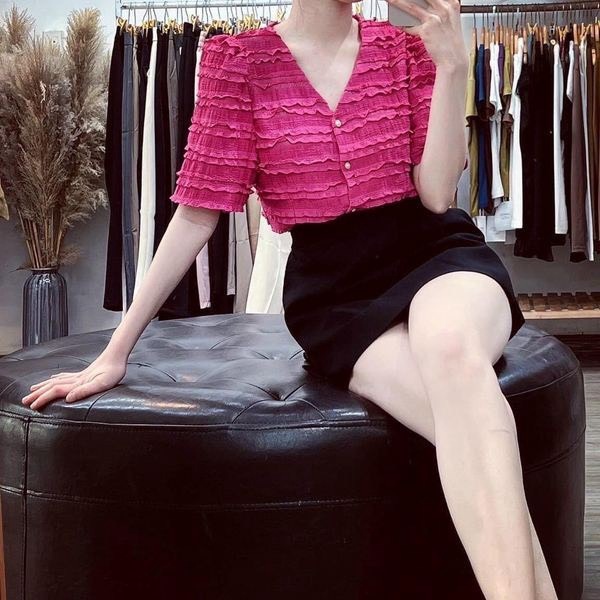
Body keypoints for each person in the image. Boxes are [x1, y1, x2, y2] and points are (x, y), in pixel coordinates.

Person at [22, 1, 557, 598]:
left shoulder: (405, 52)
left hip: (435, 255)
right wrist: (116, 351)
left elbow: (436, 195)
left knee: (451, 348)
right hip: (336, 297)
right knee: (476, 435)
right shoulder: (239, 64)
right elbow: (196, 215)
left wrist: (453, 67)